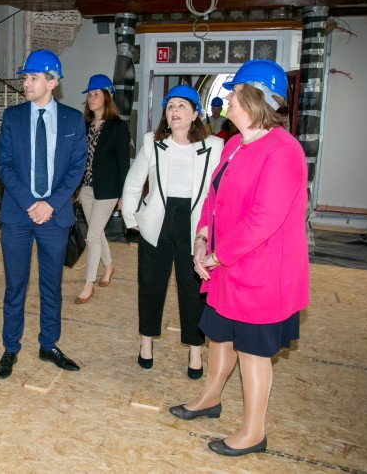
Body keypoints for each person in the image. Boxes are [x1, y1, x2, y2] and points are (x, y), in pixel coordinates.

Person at [169, 59, 309, 457]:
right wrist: (200, 238)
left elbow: (264, 218)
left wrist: (215, 256)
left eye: (233, 92)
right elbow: (214, 197)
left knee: (252, 351)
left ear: (255, 96)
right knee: (220, 336)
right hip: (227, 266)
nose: (226, 98)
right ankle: (210, 398)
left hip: (263, 274)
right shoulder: (233, 143)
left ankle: (253, 432)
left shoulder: (283, 151)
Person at [0, 49, 87, 379]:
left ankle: (48, 344)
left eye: (33, 77)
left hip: (55, 216)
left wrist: (51, 203)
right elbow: (4, 165)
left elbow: (77, 167)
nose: (26, 83)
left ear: (52, 82)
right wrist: (30, 202)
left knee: (52, 285)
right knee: (15, 285)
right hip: (19, 215)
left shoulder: (73, 119)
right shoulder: (13, 117)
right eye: (26, 77)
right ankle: (10, 347)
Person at [121, 85, 223, 377]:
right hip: (157, 223)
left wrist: (214, 230)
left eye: (181, 106)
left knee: (193, 291)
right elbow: (133, 182)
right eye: (170, 107)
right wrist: (131, 217)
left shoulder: (214, 146)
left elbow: (219, 193)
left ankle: (194, 351)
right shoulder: (153, 142)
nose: (174, 111)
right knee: (151, 286)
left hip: (194, 225)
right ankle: (146, 344)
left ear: (195, 113)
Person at [75, 74, 130, 304]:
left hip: (108, 190)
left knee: (93, 235)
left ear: (107, 97)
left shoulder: (118, 126)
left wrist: (123, 195)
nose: (91, 98)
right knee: (97, 233)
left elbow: (123, 163)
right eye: (89, 94)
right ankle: (108, 267)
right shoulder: (85, 125)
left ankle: (88, 284)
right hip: (87, 188)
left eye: (96, 94)